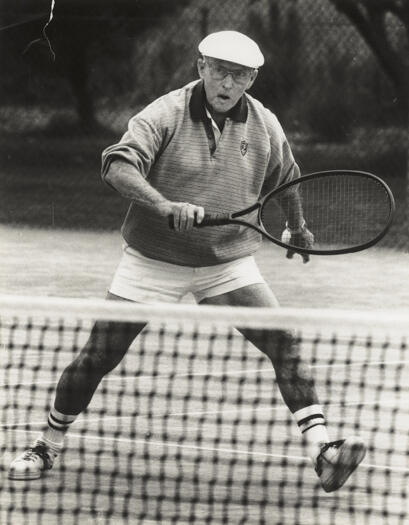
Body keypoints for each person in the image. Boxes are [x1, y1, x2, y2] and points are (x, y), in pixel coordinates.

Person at [9, 30, 366, 492]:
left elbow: (287, 176)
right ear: (200, 66)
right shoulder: (163, 114)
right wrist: (163, 206)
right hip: (154, 257)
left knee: (285, 342)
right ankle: (47, 443)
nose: (227, 83)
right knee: (99, 354)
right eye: (220, 70)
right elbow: (117, 164)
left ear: (252, 79)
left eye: (239, 75)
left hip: (227, 262)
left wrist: (297, 226)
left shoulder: (265, 125)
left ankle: (323, 450)